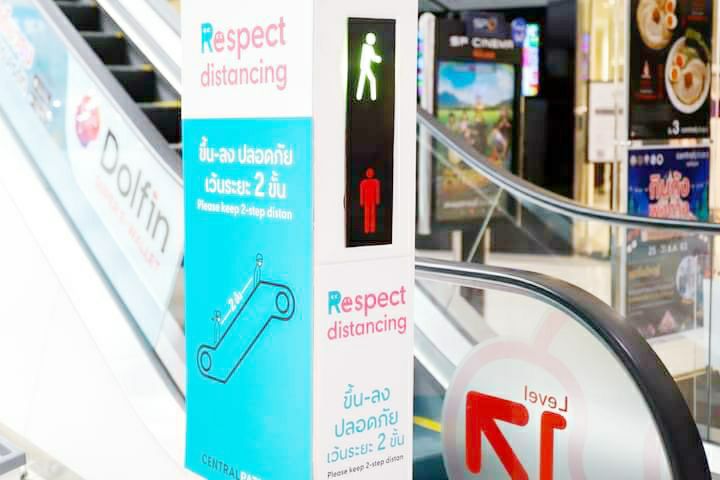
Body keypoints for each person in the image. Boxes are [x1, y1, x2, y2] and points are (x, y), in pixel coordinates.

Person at [356, 33, 382, 101]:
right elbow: (372, 57)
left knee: (362, 80)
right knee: (372, 79)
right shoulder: (368, 48)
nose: (374, 41)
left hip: (364, 66)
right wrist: (378, 59)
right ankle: (373, 97)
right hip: (365, 67)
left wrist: (377, 59)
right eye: (373, 39)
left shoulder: (365, 47)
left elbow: (371, 56)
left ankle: (359, 96)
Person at [359, 167, 381, 234]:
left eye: (371, 173)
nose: (369, 174)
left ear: (373, 173)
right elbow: (361, 192)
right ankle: (366, 229)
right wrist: (361, 201)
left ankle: (372, 229)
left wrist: (377, 200)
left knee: (372, 215)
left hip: (373, 201)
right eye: (368, 173)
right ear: (366, 173)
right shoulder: (363, 182)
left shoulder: (376, 182)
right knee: (366, 215)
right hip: (366, 201)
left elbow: (377, 191)